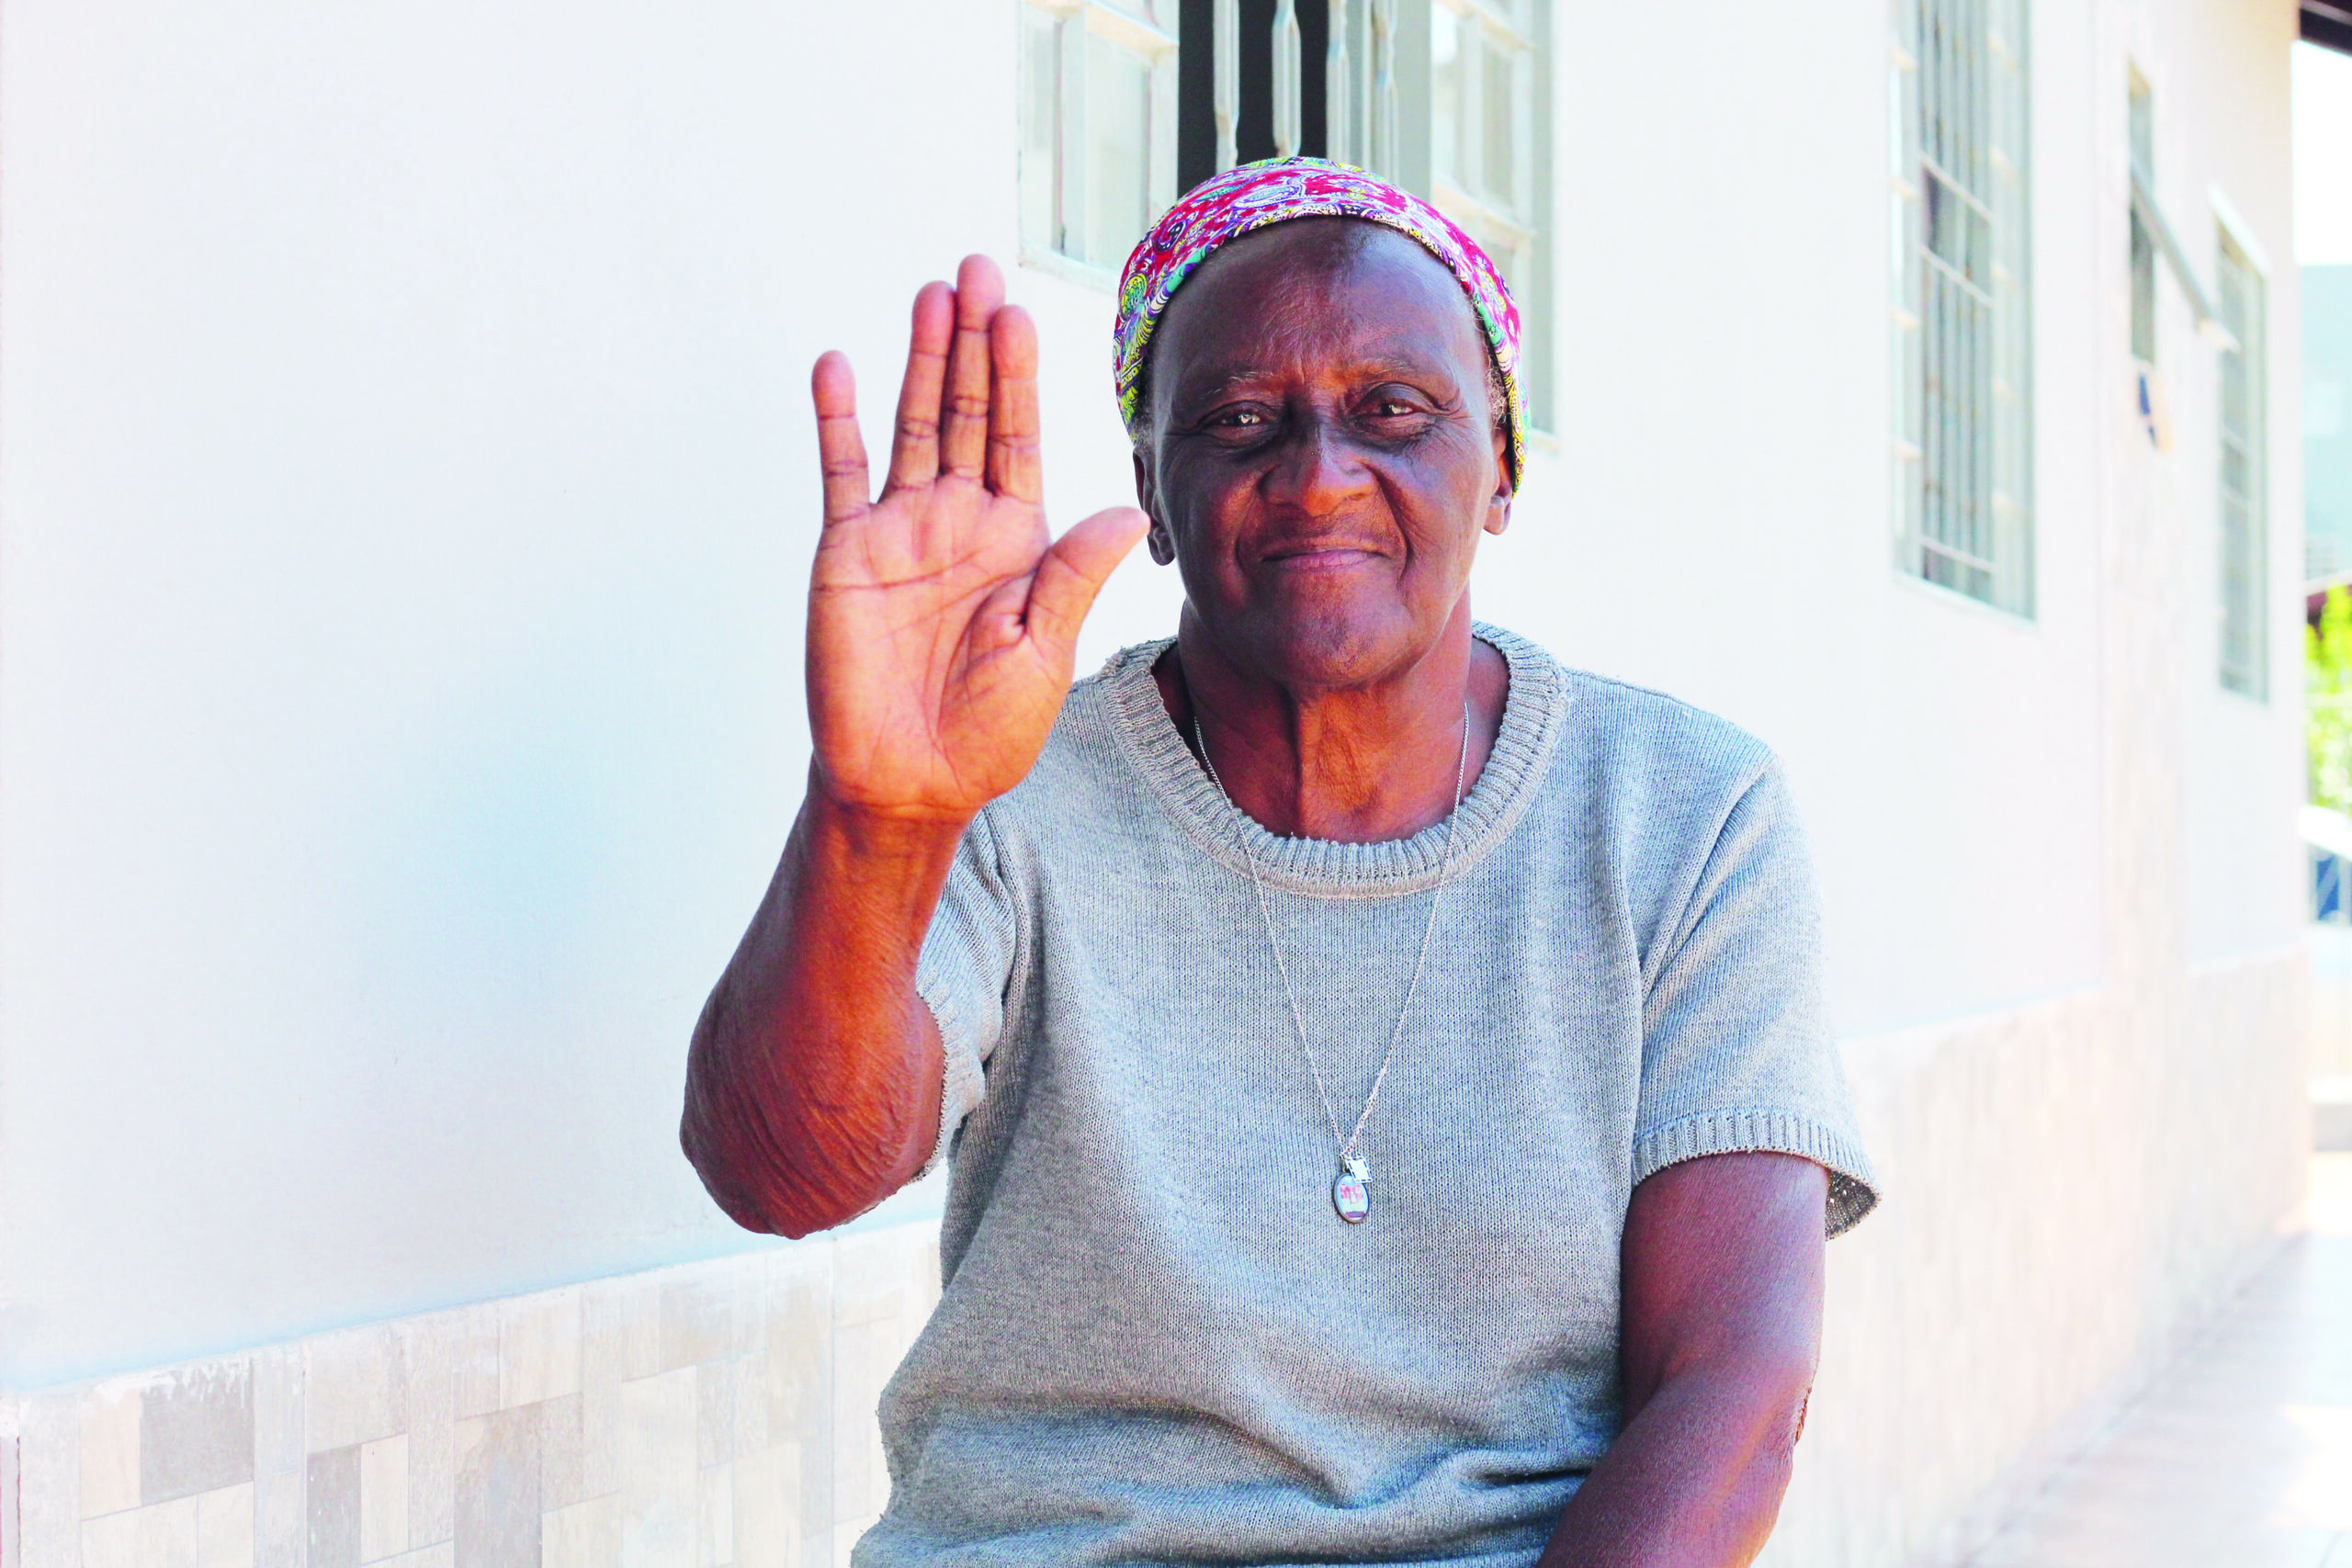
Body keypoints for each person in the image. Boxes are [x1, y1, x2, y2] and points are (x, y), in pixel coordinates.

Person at [683, 158, 1876, 1567]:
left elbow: (1734, 1388)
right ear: (1154, 491)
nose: (1318, 476)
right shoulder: (1006, 792)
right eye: (1242, 419)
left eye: (1394, 410)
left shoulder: (1688, 813)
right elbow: (782, 1174)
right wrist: (878, 816)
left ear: (1501, 466)